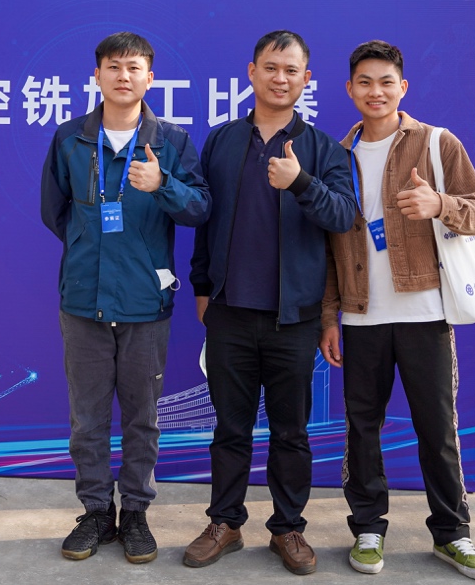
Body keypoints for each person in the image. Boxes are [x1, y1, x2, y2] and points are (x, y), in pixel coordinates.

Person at [320, 40, 475, 580]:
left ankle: (452, 533)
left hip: (424, 313)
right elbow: (328, 247)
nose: (376, 92)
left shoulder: (437, 143)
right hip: (362, 316)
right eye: (365, 82)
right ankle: (367, 528)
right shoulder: (337, 155)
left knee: (436, 429)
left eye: (386, 82)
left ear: (403, 88)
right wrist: (329, 317)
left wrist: (439, 204)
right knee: (362, 428)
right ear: (349, 89)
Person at [186, 30, 357, 575]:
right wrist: (202, 288)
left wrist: (301, 182)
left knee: (291, 433)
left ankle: (287, 529)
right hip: (230, 312)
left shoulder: (324, 149)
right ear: (251, 72)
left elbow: (343, 217)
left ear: (307, 79)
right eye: (270, 68)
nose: (280, 79)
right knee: (229, 430)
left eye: (291, 70)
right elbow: (205, 221)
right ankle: (225, 523)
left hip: (294, 318)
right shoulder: (221, 141)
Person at [40, 32, 210, 564]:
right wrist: (90, 248)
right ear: (97, 76)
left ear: (149, 78)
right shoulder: (70, 139)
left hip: (145, 304)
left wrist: (163, 185)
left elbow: (200, 209)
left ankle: (135, 512)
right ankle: (96, 512)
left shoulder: (172, 141)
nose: (123, 76)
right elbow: (55, 211)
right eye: (113, 66)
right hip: (83, 302)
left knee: (142, 417)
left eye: (134, 67)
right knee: (86, 418)